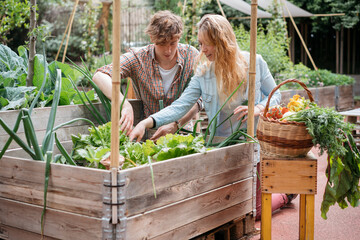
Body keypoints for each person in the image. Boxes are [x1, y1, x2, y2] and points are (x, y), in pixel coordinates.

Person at [129, 14, 294, 219]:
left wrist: (259, 108)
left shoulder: (254, 63)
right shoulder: (203, 72)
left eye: (208, 44)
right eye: (200, 43)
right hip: (217, 148)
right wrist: (146, 122)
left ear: (222, 41)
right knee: (222, 206)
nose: (203, 49)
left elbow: (275, 93)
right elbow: (181, 105)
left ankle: (286, 195)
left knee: (255, 211)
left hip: (250, 145)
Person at [93, 10, 201, 139]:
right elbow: (100, 75)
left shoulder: (191, 55)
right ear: (152, 38)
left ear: (179, 38)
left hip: (183, 132)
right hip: (149, 134)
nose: (168, 50)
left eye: (173, 43)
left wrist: (176, 123)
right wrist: (124, 104)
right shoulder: (139, 58)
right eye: (162, 44)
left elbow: (198, 98)